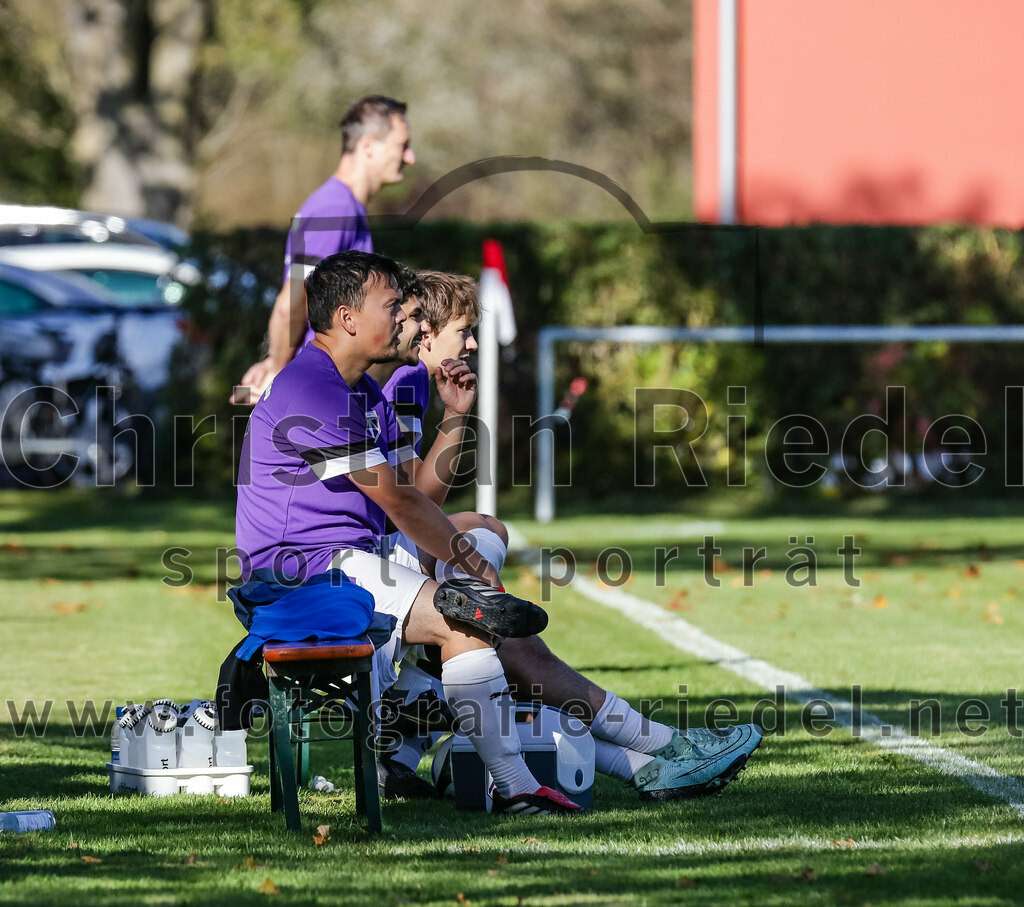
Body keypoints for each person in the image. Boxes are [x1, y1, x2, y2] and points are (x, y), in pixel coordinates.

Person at [357, 259, 765, 802]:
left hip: (373, 568)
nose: (474, 344)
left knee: (495, 619)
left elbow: (411, 499)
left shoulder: (398, 383)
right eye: (464, 330)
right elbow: (411, 504)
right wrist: (457, 428)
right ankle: (661, 750)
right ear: (426, 334)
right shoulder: (403, 382)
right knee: (493, 577)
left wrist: (456, 416)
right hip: (357, 578)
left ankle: (409, 731)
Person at [230, 95, 415, 405]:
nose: (409, 157)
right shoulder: (333, 208)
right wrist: (278, 370)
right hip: (318, 397)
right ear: (368, 145)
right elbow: (294, 298)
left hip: (329, 391)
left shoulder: (346, 208)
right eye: (403, 145)